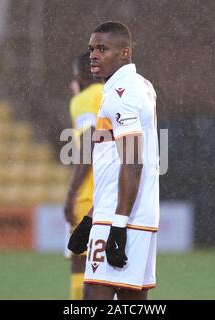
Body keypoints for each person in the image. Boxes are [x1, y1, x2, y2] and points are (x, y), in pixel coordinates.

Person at [68, 21, 159, 300]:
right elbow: (115, 164)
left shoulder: (122, 96)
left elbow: (132, 162)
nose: (94, 55)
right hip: (135, 214)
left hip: (121, 217)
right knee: (133, 299)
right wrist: (91, 216)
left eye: (103, 49)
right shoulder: (139, 85)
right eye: (92, 49)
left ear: (124, 53)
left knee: (94, 293)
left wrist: (117, 225)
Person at [64, 52, 103, 300]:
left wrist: (71, 194)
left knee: (80, 260)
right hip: (118, 194)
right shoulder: (117, 96)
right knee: (112, 267)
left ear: (81, 75)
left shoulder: (83, 100)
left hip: (89, 195)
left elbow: (89, 146)